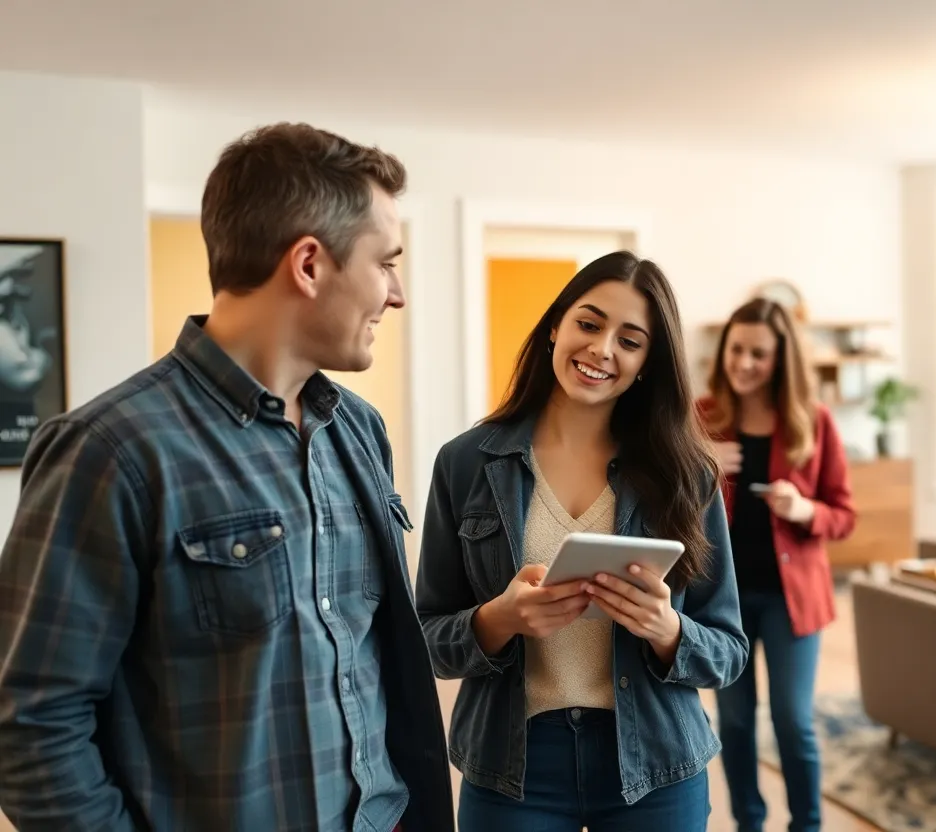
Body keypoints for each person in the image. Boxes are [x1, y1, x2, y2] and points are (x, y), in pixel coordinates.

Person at [0, 123, 453, 832]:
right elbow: (32, 726)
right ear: (309, 264)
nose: (395, 293)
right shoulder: (111, 450)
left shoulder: (358, 431)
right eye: (386, 262)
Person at [415, 251, 747, 831]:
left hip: (656, 763)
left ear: (647, 363)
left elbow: (729, 650)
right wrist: (500, 618)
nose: (602, 350)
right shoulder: (465, 463)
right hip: (513, 766)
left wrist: (668, 631)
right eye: (589, 324)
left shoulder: (687, 475)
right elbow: (428, 639)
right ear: (555, 327)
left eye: (630, 340)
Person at [697, 297, 856, 832]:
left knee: (793, 722)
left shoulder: (813, 423)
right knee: (735, 722)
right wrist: (702, 461)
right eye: (736, 349)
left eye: (758, 353)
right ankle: (749, 822)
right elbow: (661, 497)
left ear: (781, 357)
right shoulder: (701, 418)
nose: (743, 363)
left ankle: (807, 825)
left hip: (793, 601)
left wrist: (806, 508)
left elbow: (844, 514)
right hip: (723, 603)